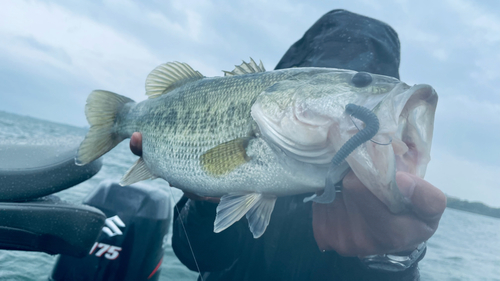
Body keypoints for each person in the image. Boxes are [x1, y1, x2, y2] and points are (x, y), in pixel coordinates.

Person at [129, 10, 446, 281]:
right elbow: (193, 254)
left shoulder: (369, 185)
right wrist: (204, 201)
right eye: (358, 83)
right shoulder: (263, 130)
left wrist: (395, 254)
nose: (369, 103)